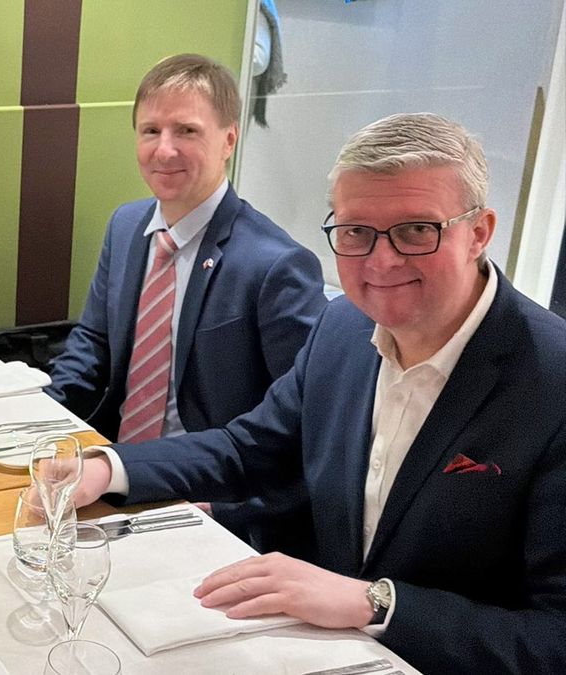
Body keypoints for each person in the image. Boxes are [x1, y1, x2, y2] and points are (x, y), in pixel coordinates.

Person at [72, 113, 566, 674]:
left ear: (479, 232)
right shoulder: (343, 327)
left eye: (415, 230)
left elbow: (556, 636)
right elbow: (248, 450)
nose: (381, 260)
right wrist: (106, 468)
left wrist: (377, 604)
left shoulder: (551, 380)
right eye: (355, 232)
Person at [47, 53, 326, 552]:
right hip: (108, 471)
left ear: (229, 140)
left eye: (187, 131)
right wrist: (46, 422)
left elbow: (305, 428)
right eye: (150, 131)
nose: (164, 149)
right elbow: (92, 341)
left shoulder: (276, 266)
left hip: (203, 497)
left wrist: (228, 510)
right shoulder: (127, 226)